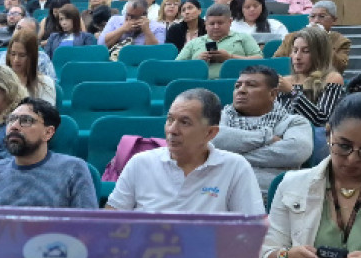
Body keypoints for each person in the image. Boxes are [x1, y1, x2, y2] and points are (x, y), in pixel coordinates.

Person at [254, 95, 361, 258]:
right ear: (328, 133)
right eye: (343, 146)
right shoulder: (293, 184)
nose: (353, 159)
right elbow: (268, 256)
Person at [107, 88, 263, 213]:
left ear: (210, 133)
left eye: (185, 122)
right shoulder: (140, 163)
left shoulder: (234, 167)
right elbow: (111, 221)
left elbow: (252, 229)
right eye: (170, 120)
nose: (172, 130)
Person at [0, 98, 96, 208]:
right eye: (11, 120)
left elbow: (87, 228)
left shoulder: (73, 169)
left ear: (48, 132)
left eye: (26, 120)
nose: (14, 126)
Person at [213, 65, 314, 198]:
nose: (241, 90)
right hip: (221, 194)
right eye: (237, 86)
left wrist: (226, 155)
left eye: (251, 85)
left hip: (274, 197)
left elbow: (297, 152)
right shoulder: (220, 117)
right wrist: (266, 137)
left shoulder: (294, 122)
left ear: (272, 94)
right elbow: (214, 139)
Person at [277, 25, 346, 163]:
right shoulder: (285, 80)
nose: (297, 57)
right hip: (281, 137)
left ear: (319, 54)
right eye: (295, 51)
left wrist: (292, 92)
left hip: (313, 140)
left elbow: (323, 120)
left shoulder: (332, 78)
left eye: (306, 51)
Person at [175, 3, 261, 79]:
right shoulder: (194, 43)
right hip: (200, 86)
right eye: (212, 24)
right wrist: (197, 63)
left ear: (230, 22)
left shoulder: (243, 38)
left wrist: (230, 58)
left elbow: (259, 60)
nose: (216, 27)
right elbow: (176, 67)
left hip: (235, 84)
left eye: (220, 23)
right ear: (205, 24)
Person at [273, 0, 351, 74]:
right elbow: (276, 61)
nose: (316, 20)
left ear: (334, 20)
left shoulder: (341, 41)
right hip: (294, 77)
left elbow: (339, 67)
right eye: (312, 16)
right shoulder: (291, 37)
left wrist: (323, 39)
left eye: (322, 16)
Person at [101, 0, 167, 51]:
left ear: (144, 15)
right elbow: (101, 44)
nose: (129, 19)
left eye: (133, 17)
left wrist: (147, 31)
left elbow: (157, 52)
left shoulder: (158, 27)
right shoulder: (115, 20)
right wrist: (122, 29)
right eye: (127, 15)